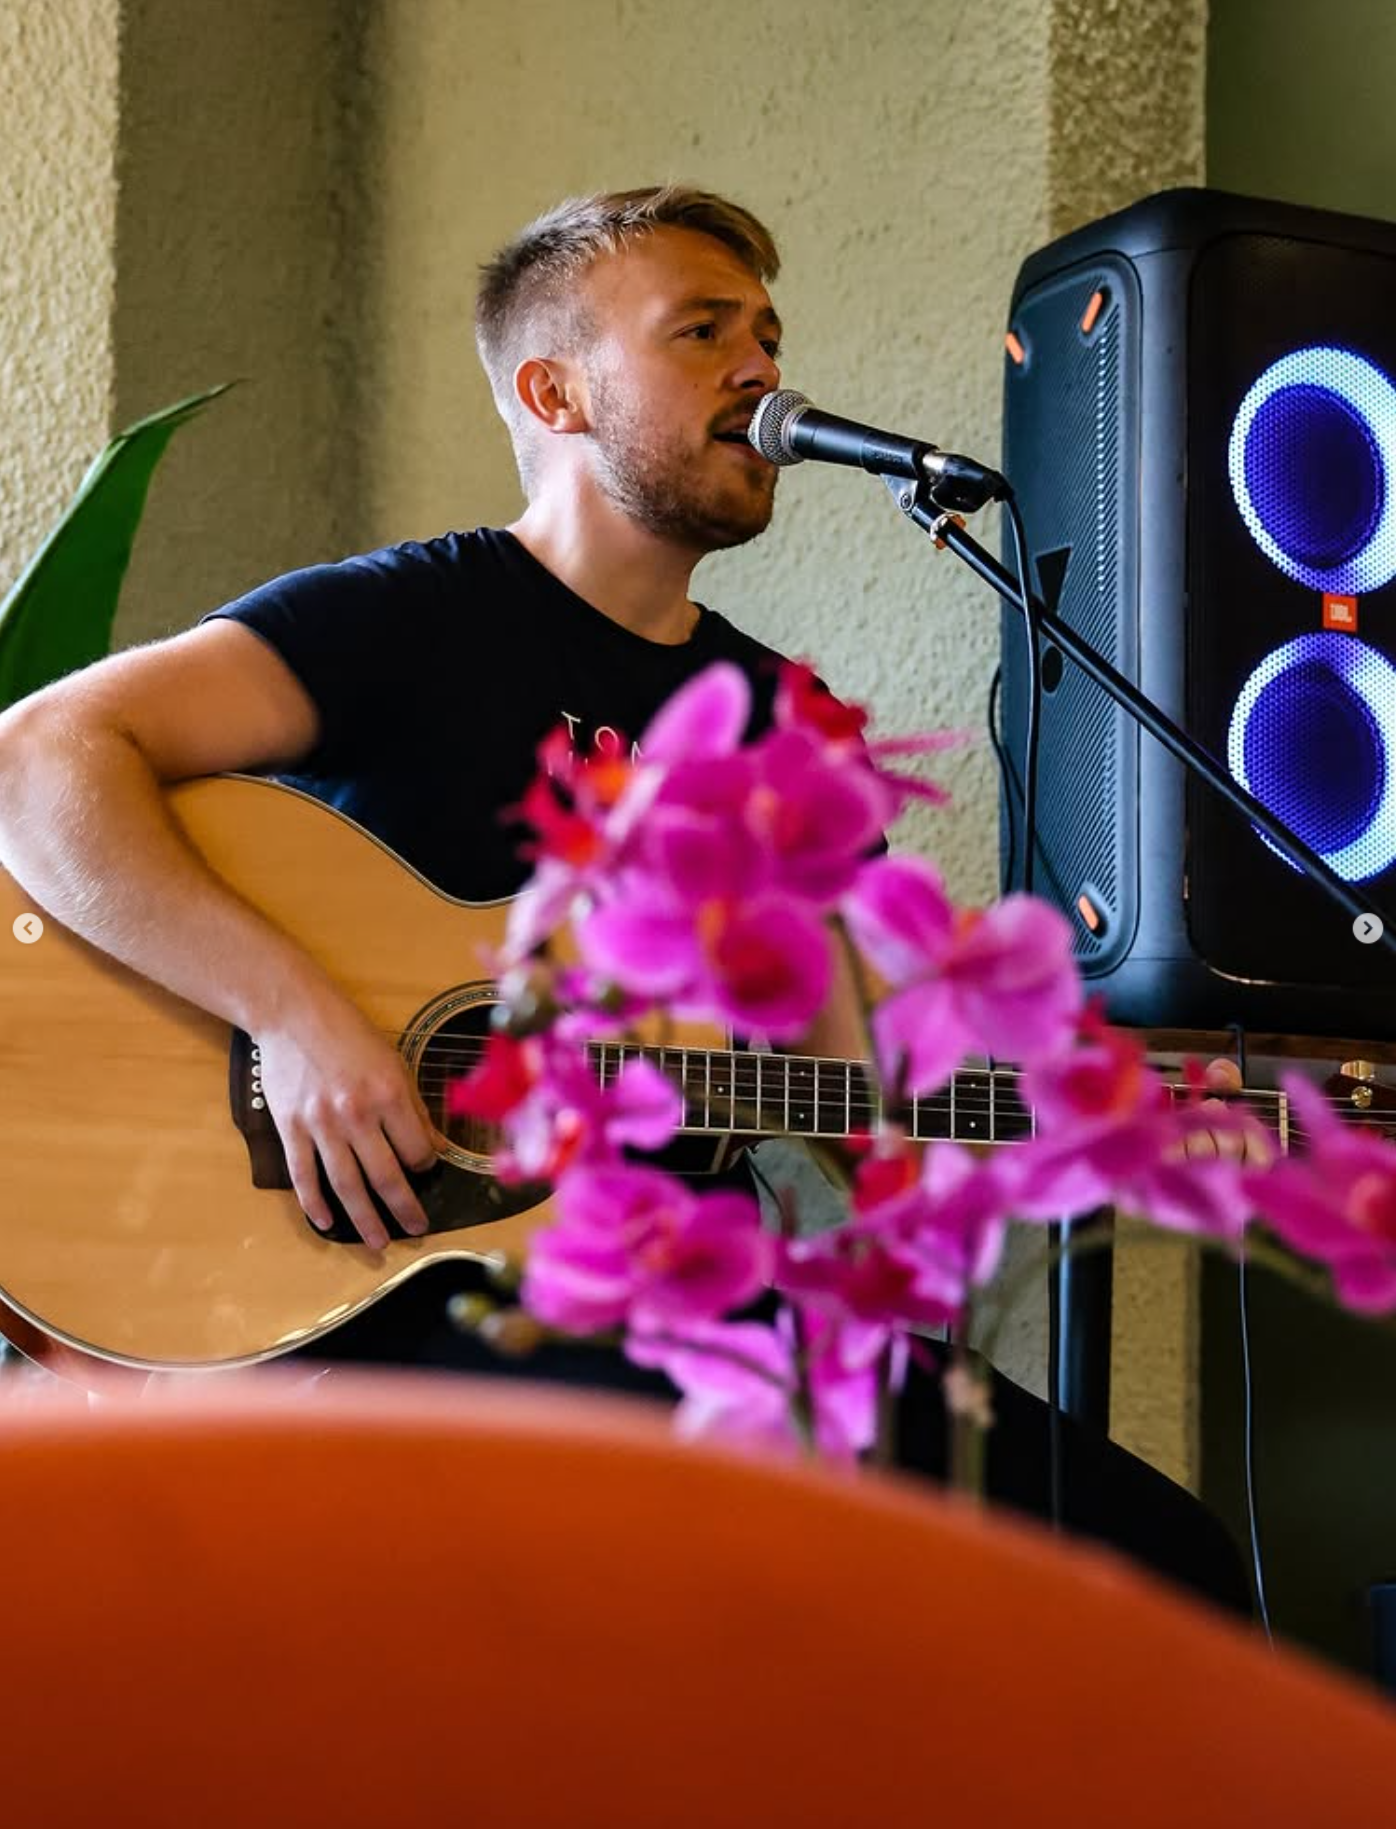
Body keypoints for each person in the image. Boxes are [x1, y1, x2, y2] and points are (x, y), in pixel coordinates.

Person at [0, 183, 1250, 1610]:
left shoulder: (788, 726)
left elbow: (847, 1089)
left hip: (676, 1306)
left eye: (769, 334)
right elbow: (41, 760)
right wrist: (293, 1019)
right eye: (702, 330)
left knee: (1157, 1564)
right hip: (395, 1291)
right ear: (557, 391)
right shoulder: (410, 618)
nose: (762, 368)